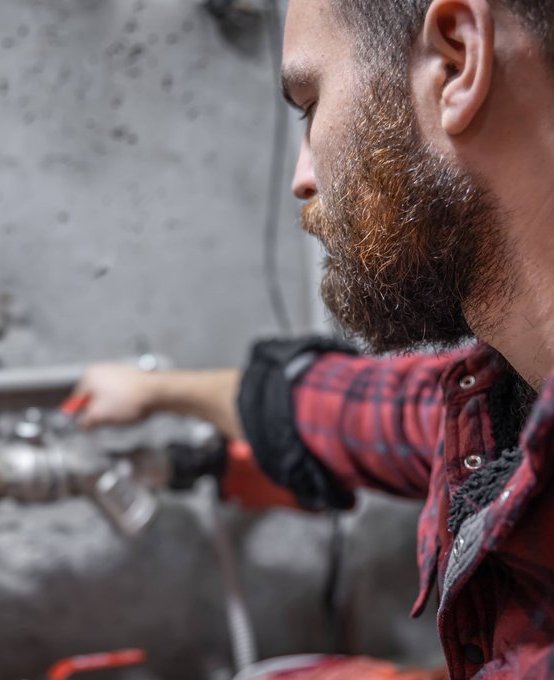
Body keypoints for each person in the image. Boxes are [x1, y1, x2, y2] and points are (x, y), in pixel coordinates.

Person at [70, 1, 554, 678]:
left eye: (310, 103)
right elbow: (367, 410)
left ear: (454, 61)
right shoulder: (508, 394)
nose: (303, 176)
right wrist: (157, 392)